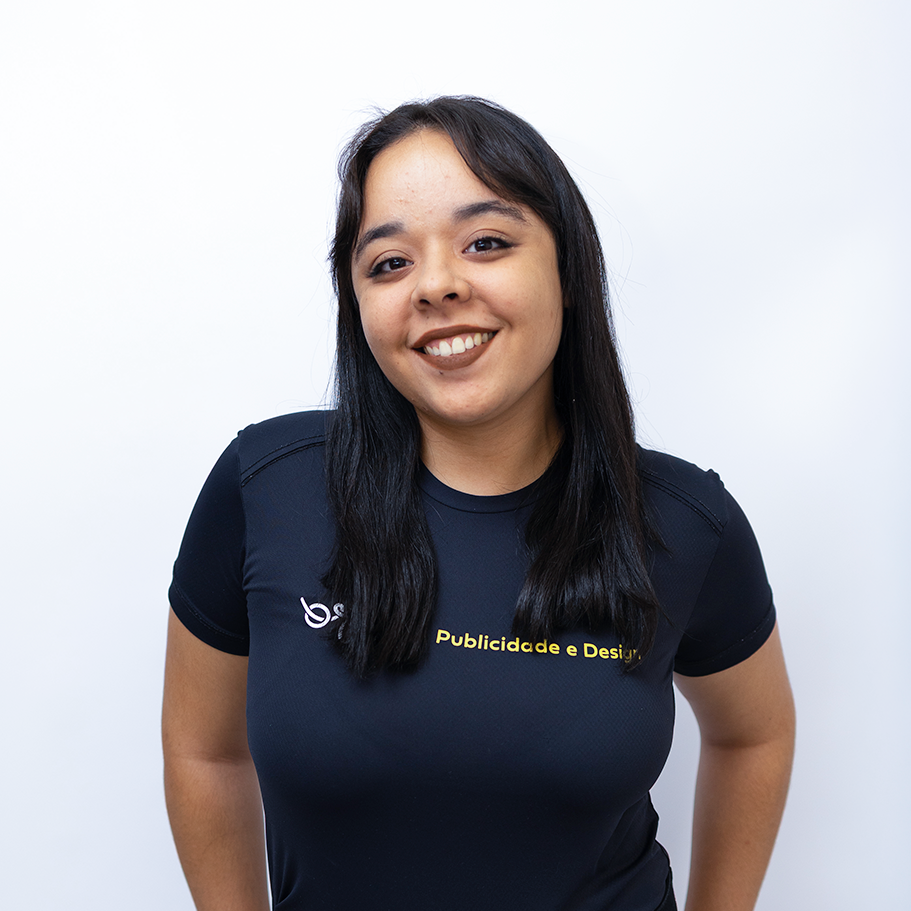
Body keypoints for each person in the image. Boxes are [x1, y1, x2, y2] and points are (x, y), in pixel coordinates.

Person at [162, 96, 795, 911]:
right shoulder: (267, 488)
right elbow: (203, 750)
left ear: (567, 270)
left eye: (486, 243)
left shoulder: (682, 524)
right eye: (388, 263)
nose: (436, 285)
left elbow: (753, 734)